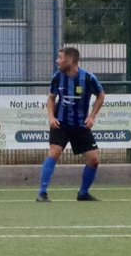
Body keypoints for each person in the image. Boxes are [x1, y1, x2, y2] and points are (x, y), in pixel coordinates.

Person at [37, 47, 106, 202]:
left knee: (94, 159)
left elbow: (101, 96)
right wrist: (50, 116)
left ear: (70, 60)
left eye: (60, 58)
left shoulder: (88, 78)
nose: (57, 61)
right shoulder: (57, 77)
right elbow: (51, 98)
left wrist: (92, 116)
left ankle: (83, 193)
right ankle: (42, 193)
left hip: (80, 125)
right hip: (60, 123)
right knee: (54, 152)